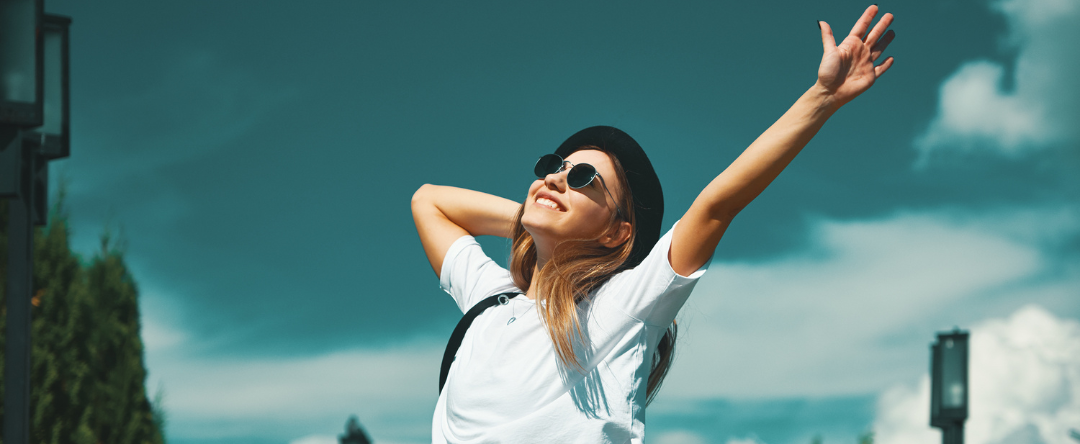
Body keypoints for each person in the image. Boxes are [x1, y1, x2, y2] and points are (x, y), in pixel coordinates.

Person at [411, 5, 895, 443]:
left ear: (618, 232)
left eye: (583, 178)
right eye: (553, 168)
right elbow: (428, 201)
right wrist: (534, 217)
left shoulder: (623, 307)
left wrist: (822, 99)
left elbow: (715, 206)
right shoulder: (488, 301)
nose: (557, 178)